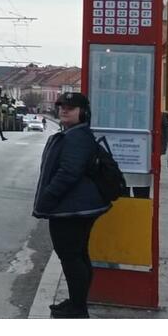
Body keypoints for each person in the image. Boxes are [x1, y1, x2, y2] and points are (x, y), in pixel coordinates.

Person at [32, 92, 110, 318]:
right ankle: (76, 302)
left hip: (72, 209)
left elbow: (68, 173)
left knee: (70, 257)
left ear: (83, 112)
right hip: (77, 206)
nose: (64, 110)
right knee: (77, 255)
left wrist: (48, 197)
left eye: (71, 108)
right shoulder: (74, 134)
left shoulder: (76, 137)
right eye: (62, 107)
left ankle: (78, 308)